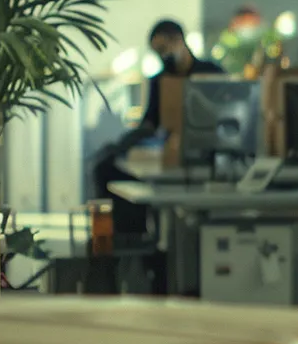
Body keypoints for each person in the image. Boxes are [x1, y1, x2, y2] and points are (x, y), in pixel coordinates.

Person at [92, 19, 225, 234]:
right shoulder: (160, 80)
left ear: (179, 40)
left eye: (164, 49)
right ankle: (129, 237)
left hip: (205, 153)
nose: (162, 56)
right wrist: (123, 145)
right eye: (157, 52)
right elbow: (150, 122)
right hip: (166, 151)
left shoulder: (211, 73)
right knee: (104, 168)